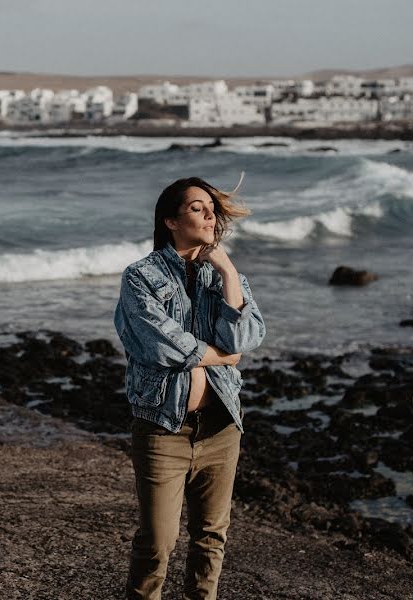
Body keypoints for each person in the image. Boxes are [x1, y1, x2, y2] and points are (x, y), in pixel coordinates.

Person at [114, 177, 266, 600]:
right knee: (156, 544)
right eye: (198, 208)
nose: (210, 215)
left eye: (212, 208)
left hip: (221, 426)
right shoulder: (140, 277)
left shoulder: (223, 276)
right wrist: (218, 355)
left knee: (210, 539)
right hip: (164, 428)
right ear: (170, 219)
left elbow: (245, 338)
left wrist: (229, 269)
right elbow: (159, 344)